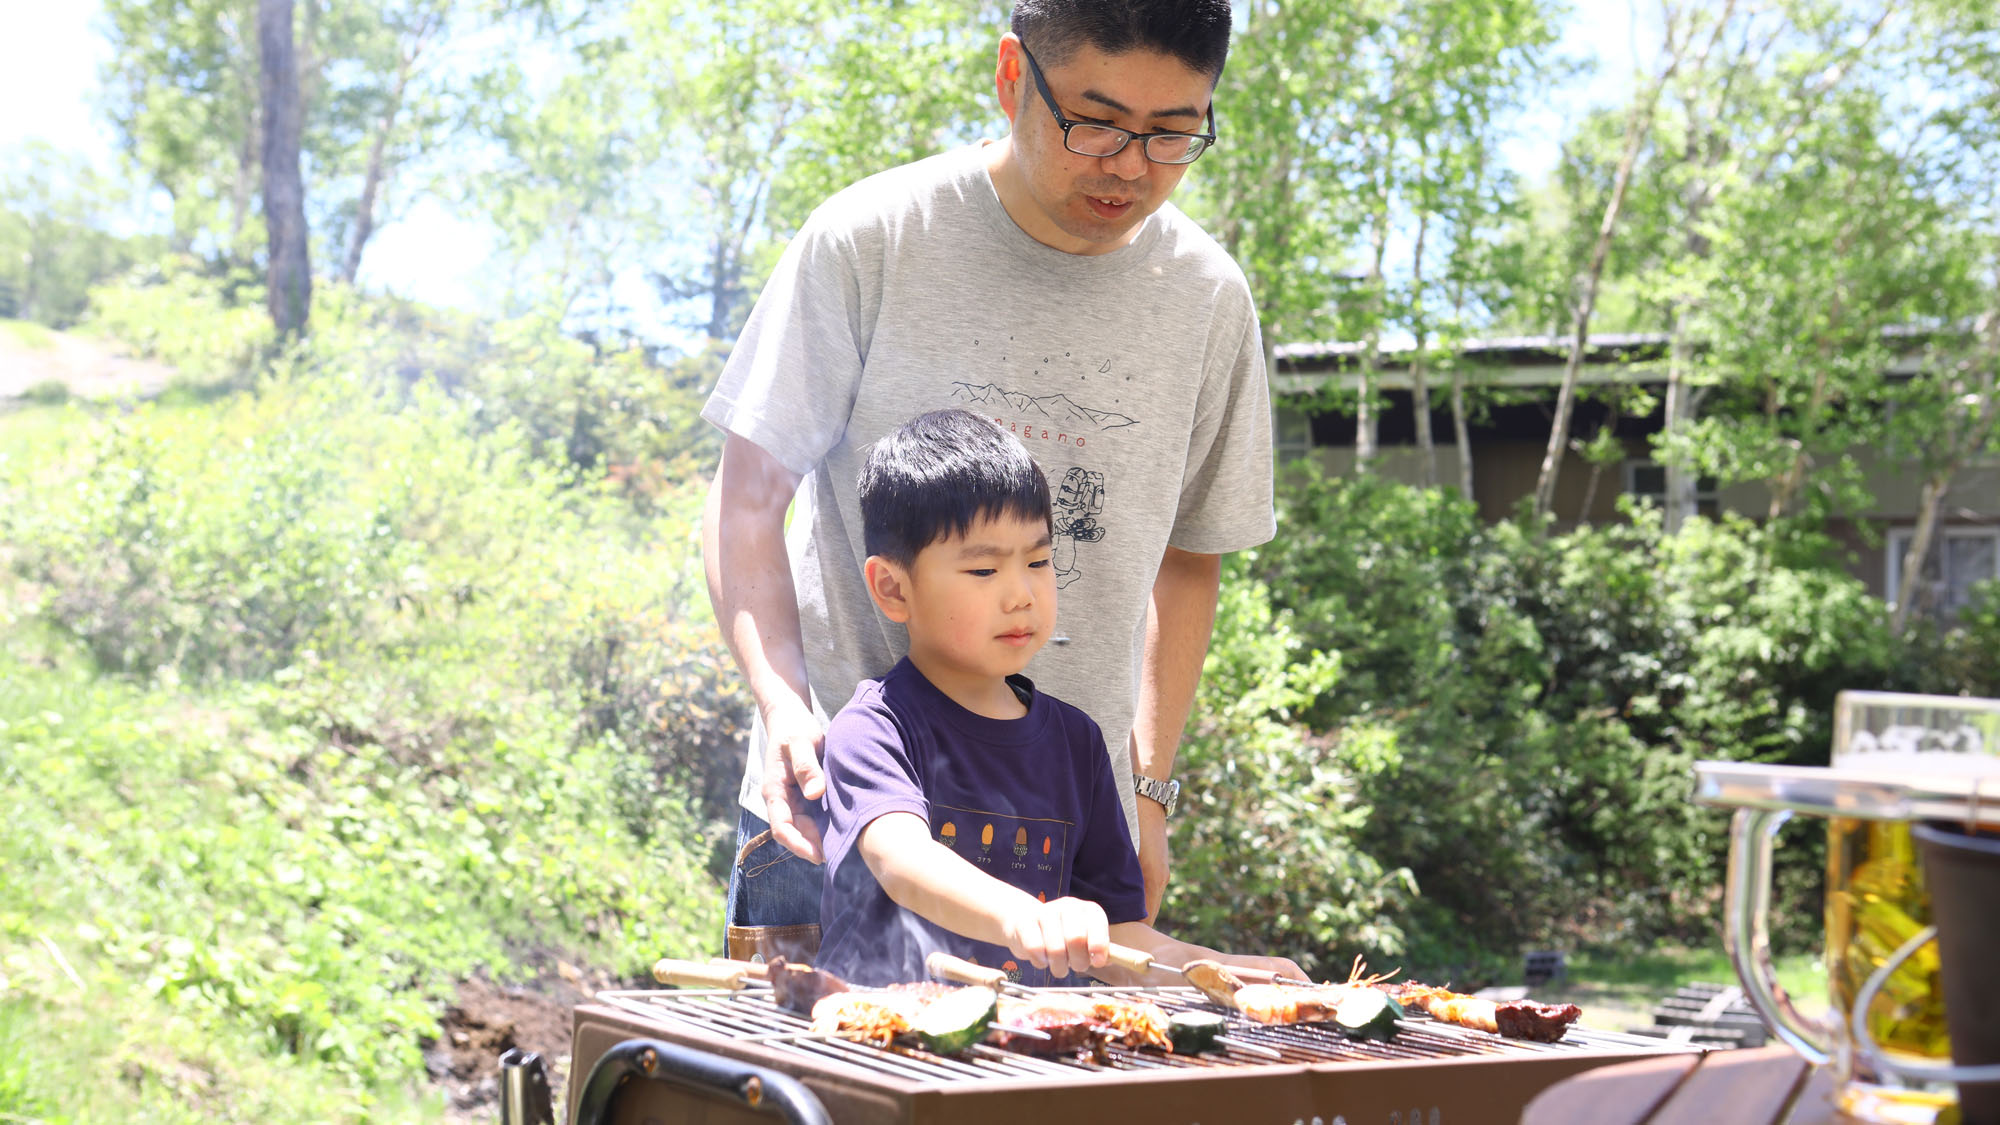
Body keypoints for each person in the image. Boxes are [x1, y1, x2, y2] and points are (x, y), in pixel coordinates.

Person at [701, 0, 1274, 961]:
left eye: (1174, 134)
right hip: (835, 818)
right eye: (1095, 123)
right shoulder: (871, 237)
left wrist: (1150, 787)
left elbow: (1190, 557)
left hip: (1061, 833)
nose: (1131, 165)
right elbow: (749, 499)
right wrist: (785, 703)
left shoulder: (1207, 299)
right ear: (1014, 77)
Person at [815, 409, 1302, 987]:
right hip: (889, 1045)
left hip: (1031, 1060)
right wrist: (1028, 917)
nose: (1022, 594)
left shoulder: (1078, 743)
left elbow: (1119, 939)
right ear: (894, 588)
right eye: (983, 570)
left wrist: (1214, 971)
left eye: (1038, 562)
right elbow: (900, 859)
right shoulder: (875, 727)